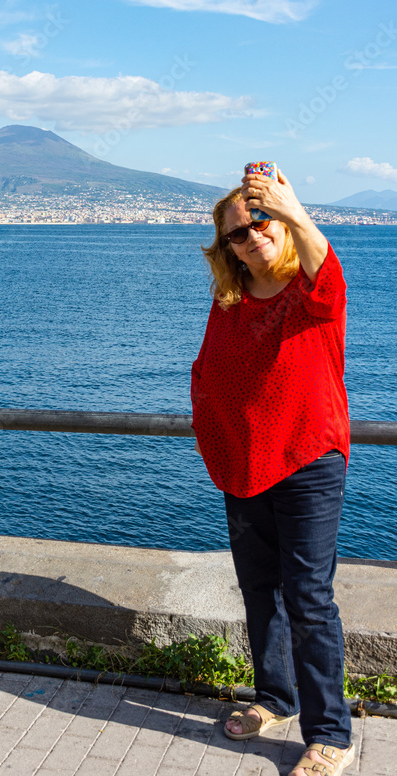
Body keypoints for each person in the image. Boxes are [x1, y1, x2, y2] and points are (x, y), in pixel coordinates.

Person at [190, 168, 354, 776]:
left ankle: (329, 732)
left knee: (309, 599)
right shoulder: (228, 301)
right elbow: (209, 370)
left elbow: (321, 253)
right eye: (239, 232)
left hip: (308, 461)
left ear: (284, 225)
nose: (253, 235)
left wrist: (292, 207)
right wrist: (211, 426)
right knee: (261, 593)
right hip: (242, 466)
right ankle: (276, 699)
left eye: (263, 223)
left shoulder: (314, 291)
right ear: (226, 247)